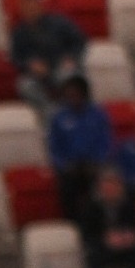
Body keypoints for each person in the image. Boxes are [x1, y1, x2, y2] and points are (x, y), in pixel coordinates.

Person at [9, 0, 87, 117]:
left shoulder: (59, 23)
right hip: (37, 75)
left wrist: (71, 58)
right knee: (25, 85)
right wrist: (30, 65)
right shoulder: (19, 33)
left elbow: (79, 41)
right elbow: (16, 58)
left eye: (32, 7)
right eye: (26, 8)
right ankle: (51, 115)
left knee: (69, 76)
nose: (30, 11)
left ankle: (73, 113)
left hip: (61, 66)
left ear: (40, 7)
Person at [47, 76, 113, 220]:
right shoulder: (59, 117)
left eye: (76, 94)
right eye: (69, 95)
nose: (73, 98)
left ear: (84, 94)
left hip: (93, 166)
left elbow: (105, 142)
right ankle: (72, 223)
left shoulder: (98, 115)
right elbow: (54, 147)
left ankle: (97, 224)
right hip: (69, 168)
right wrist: (62, 165)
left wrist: (98, 161)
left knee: (102, 185)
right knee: (67, 188)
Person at [78, 168, 135, 268]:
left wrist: (129, 236)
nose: (111, 189)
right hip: (103, 245)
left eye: (114, 185)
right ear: (100, 188)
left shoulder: (129, 205)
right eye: (107, 186)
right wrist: (105, 238)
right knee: (93, 256)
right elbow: (86, 233)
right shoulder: (90, 207)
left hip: (127, 244)